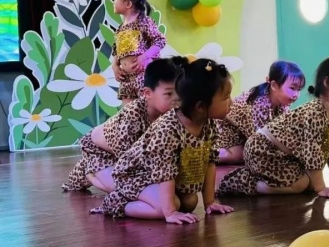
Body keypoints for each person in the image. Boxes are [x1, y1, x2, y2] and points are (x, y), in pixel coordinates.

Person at [90, 58, 234, 223]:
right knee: (165, 208)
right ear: (200, 106)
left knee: (190, 203)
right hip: (136, 176)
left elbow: (210, 161)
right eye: (226, 97)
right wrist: (170, 212)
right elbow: (165, 173)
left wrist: (210, 202)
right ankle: (116, 204)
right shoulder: (168, 129)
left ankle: (162, 202)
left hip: (158, 176)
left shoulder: (208, 124)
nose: (231, 102)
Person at [217, 56, 329, 199]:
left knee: (308, 182)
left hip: (280, 153)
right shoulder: (315, 113)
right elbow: (312, 153)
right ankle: (243, 182)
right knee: (300, 185)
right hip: (262, 152)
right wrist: (321, 188)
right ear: (328, 82)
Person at [61, 57, 187, 192]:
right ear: (147, 93)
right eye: (168, 94)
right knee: (124, 189)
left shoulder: (172, 114)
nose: (176, 99)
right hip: (98, 151)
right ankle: (89, 172)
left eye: (180, 93)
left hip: (126, 152)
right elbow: (128, 162)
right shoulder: (133, 115)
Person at [218, 60, 305, 164]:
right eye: (292, 88)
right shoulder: (258, 104)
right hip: (225, 131)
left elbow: (283, 133)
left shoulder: (282, 103)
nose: (296, 94)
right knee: (240, 155)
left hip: (245, 135)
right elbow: (259, 142)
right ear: (274, 85)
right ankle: (209, 154)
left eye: (299, 89)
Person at [111, 0, 166, 105]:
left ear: (128, 4)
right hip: (126, 79)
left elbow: (160, 41)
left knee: (147, 109)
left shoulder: (143, 22)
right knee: (128, 113)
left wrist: (144, 56)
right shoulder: (120, 28)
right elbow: (116, 50)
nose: (114, 1)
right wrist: (114, 66)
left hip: (143, 76)